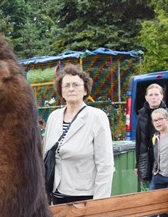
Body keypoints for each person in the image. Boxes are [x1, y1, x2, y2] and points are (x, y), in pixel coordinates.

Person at [42, 64, 114, 204]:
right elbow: (47, 155)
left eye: (76, 85)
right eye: (66, 85)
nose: (71, 89)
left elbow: (105, 164)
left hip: (85, 197)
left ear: (85, 90)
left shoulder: (96, 117)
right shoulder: (53, 117)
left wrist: (99, 203)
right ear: (61, 91)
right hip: (56, 194)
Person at [135, 83, 168, 189]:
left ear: (161, 96)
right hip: (147, 159)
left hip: (167, 160)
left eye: (156, 94)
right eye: (151, 95)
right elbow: (139, 142)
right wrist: (137, 165)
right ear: (146, 97)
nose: (153, 98)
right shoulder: (141, 115)